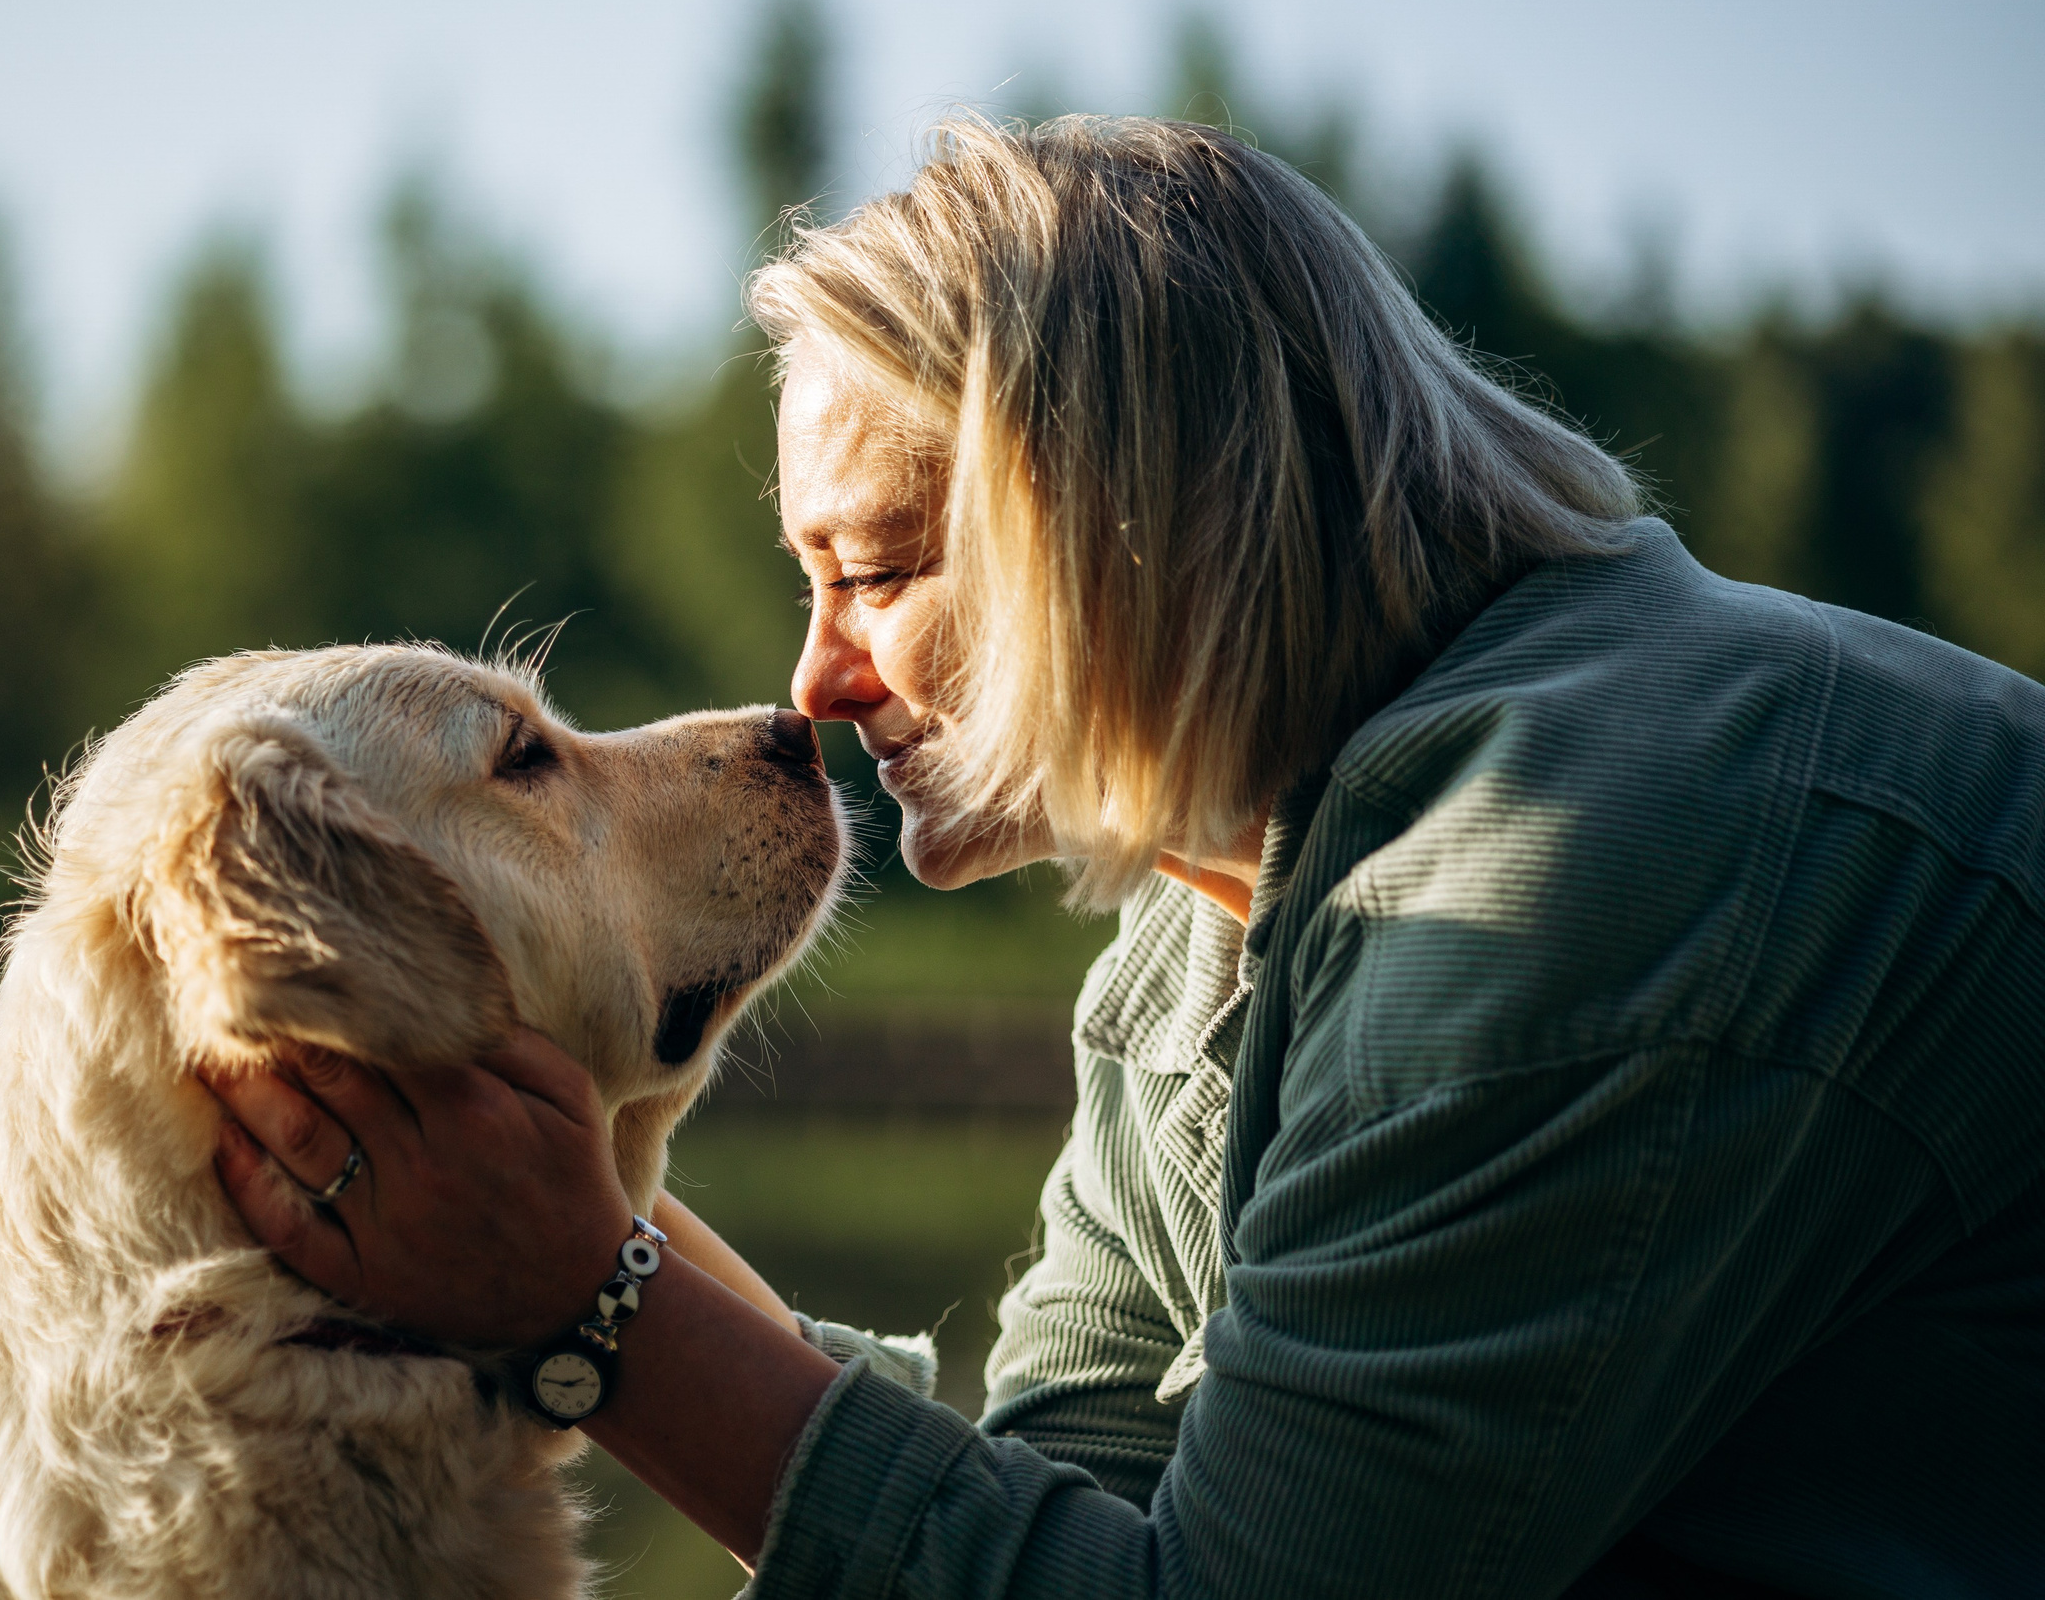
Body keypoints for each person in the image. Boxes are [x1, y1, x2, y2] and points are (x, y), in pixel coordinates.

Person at [208, 116, 2045, 1597]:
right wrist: (548, 1230)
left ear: (1118, 520)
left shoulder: (1558, 880)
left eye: (883, 566)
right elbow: (1066, 1506)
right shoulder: (1199, 949)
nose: (817, 684)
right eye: (808, 582)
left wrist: (587, 1307)